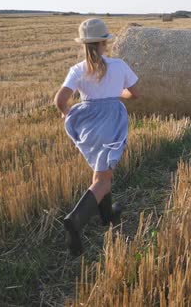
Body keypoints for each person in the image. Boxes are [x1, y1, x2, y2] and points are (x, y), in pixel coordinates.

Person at [55, 18, 140, 256]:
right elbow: (136, 93)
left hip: (87, 124)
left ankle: (108, 215)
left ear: (83, 45)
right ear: (104, 43)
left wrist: (66, 114)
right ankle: (75, 220)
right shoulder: (119, 65)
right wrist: (117, 94)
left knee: (101, 171)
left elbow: (60, 100)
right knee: (102, 179)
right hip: (111, 122)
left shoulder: (78, 69)